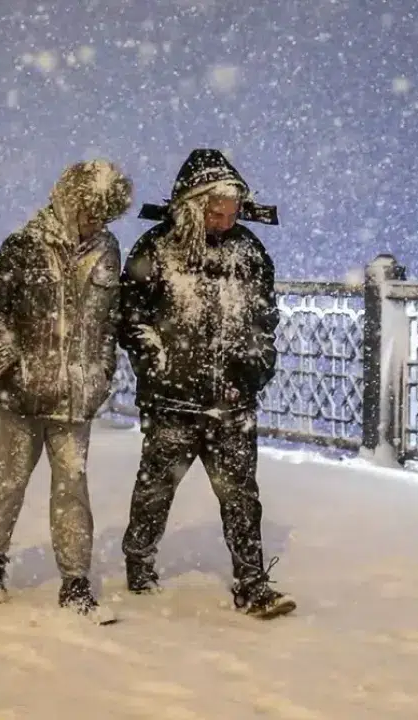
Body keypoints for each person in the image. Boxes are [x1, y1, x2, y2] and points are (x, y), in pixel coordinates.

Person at [118, 148, 295, 619]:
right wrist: (157, 364)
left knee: (240, 495)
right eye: (216, 210)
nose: (225, 218)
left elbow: (263, 320)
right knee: (155, 489)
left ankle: (252, 584)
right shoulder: (156, 248)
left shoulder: (250, 252)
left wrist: (257, 367)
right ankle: (139, 560)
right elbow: (131, 319)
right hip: (171, 401)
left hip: (231, 402)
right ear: (194, 206)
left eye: (231, 210)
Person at [0, 159, 132, 623]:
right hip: (19, 398)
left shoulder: (107, 251)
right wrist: (9, 367)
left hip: (75, 397)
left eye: (104, 217)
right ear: (69, 202)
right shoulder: (24, 246)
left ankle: (76, 582)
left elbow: (108, 322)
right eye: (90, 213)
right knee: (11, 484)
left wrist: (100, 373)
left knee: (72, 489)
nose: (95, 224)